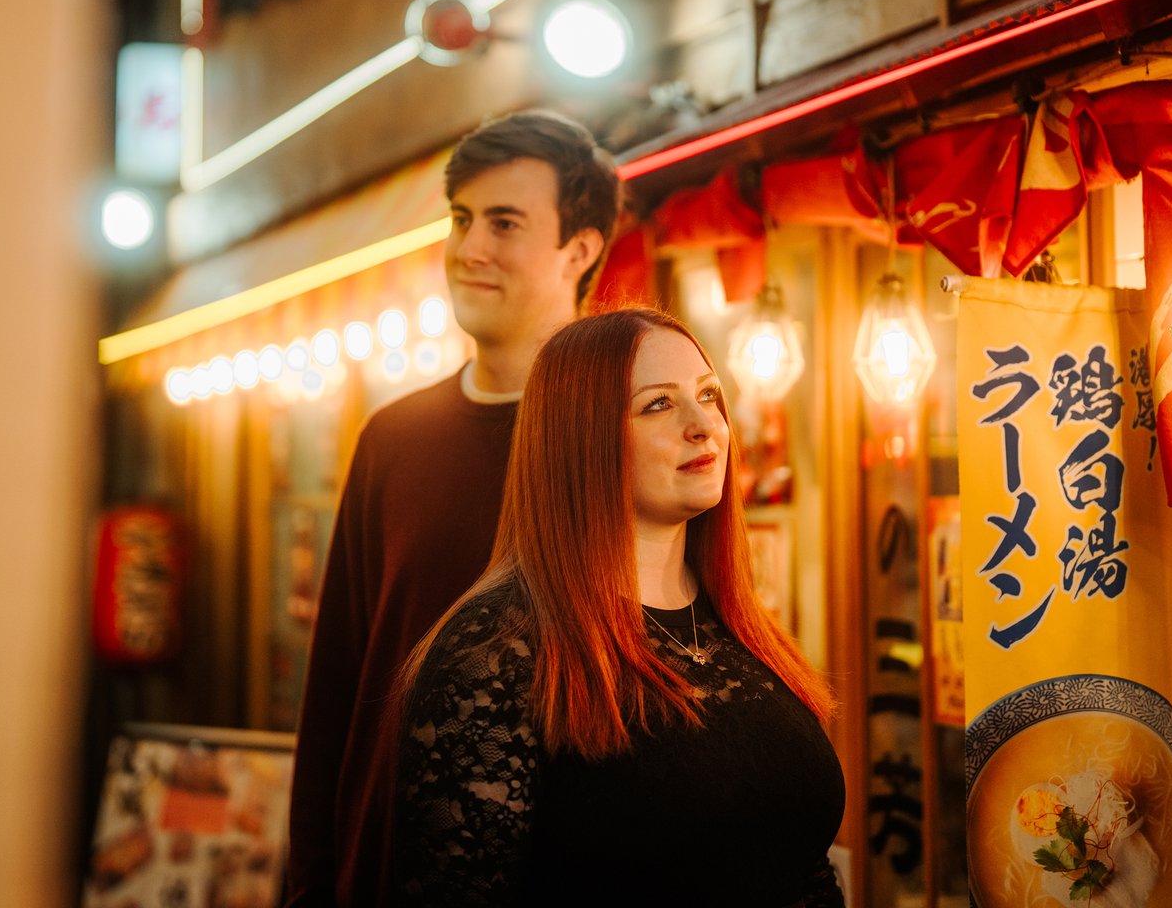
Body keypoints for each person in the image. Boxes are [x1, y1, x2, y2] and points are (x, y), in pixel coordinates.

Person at [392, 310, 845, 906]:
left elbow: (802, 867)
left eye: (710, 395)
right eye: (658, 404)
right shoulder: (495, 650)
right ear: (581, 440)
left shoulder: (736, 623)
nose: (703, 426)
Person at [284, 110, 621, 908]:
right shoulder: (393, 440)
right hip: (386, 866)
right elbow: (336, 688)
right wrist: (310, 882)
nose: (469, 248)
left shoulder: (622, 432)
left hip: (578, 869)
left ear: (579, 250)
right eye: (461, 219)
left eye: (504, 223)